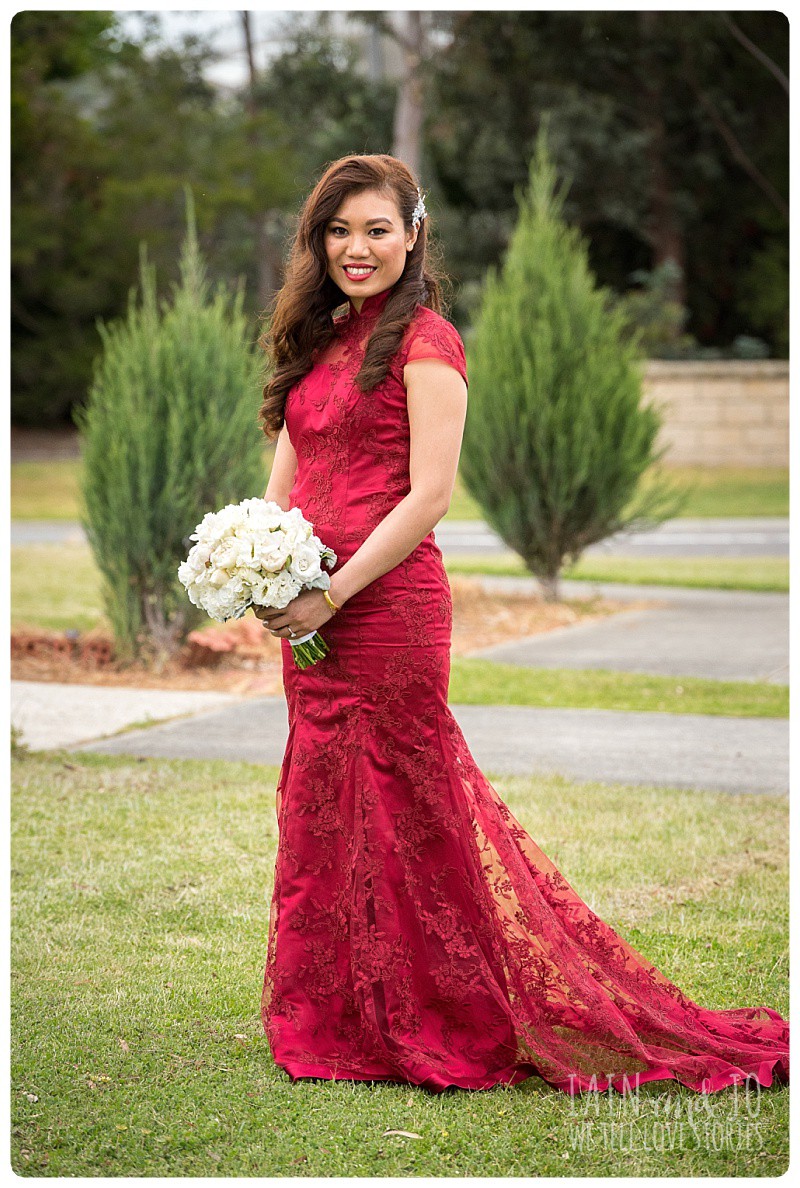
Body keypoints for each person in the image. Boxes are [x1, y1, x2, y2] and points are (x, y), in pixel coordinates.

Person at [254, 152, 789, 1095]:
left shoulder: (428, 343)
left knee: (406, 805)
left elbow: (429, 498)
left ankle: (444, 1012)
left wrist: (331, 595)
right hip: (313, 616)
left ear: (413, 233)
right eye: (338, 231)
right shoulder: (319, 339)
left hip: (386, 612)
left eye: (376, 228)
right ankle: (334, 1013)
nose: (356, 248)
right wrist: (261, 572)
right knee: (324, 799)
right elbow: (284, 486)